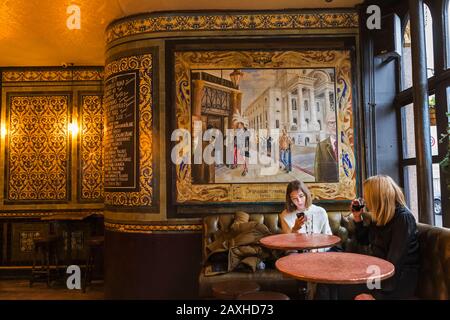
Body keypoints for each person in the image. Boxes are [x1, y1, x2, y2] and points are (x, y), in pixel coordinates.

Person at [316, 175, 420, 300]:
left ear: (377, 197)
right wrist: (357, 218)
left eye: (367, 196)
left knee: (337, 288)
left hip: (397, 281)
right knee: (327, 281)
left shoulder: (403, 219)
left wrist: (376, 296)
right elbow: (365, 240)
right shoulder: (382, 216)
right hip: (377, 272)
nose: (365, 200)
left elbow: (394, 263)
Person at [314, 113, 338, 182]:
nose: (335, 126)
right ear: (327, 126)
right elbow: (318, 173)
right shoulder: (321, 146)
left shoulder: (347, 143)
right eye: (332, 123)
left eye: (337, 122)